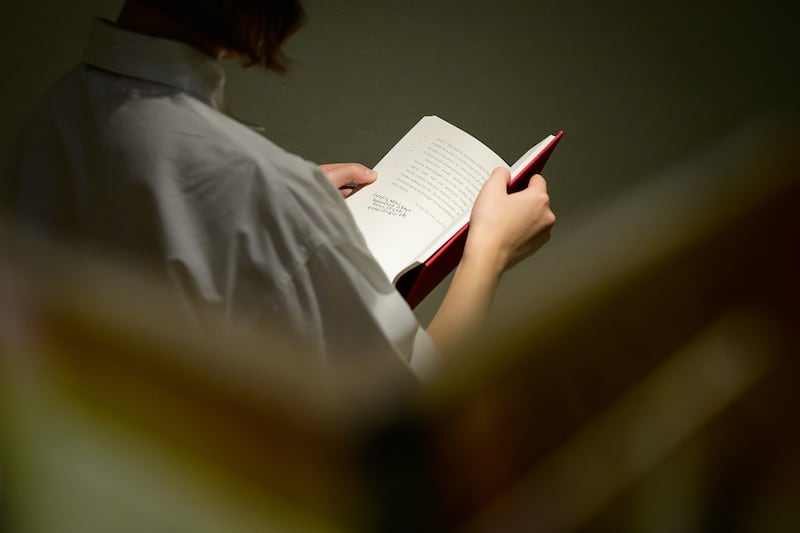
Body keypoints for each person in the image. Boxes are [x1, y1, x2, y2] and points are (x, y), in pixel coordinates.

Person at [4, 0, 555, 380]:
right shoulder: (257, 187)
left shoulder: (53, 117)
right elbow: (406, 413)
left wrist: (282, 203)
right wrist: (489, 250)